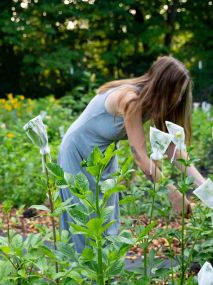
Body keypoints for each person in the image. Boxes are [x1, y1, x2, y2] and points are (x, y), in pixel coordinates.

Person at [58, 56, 206, 253]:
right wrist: (173, 193)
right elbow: (139, 155)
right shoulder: (131, 100)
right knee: (84, 223)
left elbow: (173, 149)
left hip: (104, 155)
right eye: (176, 92)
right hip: (77, 151)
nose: (178, 98)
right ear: (163, 87)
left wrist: (207, 192)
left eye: (181, 93)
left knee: (107, 223)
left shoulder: (155, 102)